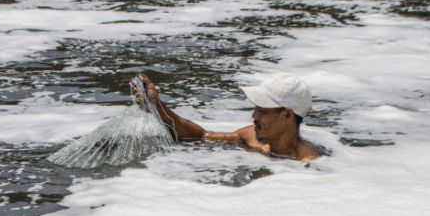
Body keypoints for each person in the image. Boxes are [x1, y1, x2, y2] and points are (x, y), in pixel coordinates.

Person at [133, 73, 321, 162]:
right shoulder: (252, 137)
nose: (254, 115)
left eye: (263, 110)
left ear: (287, 115)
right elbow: (201, 136)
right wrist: (157, 107)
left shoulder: (307, 162)